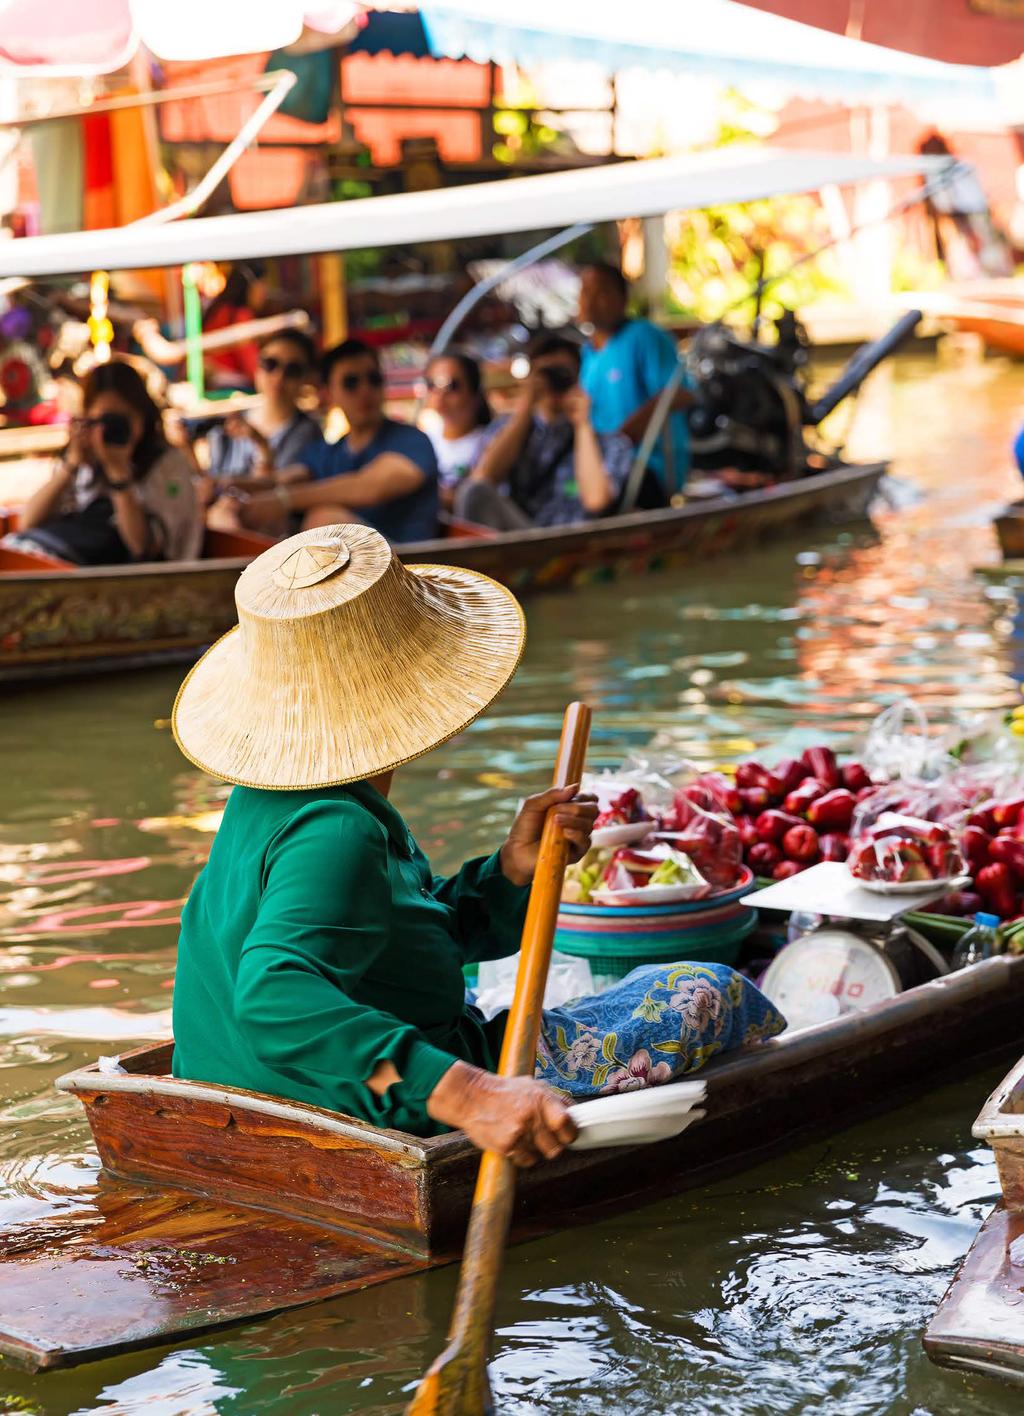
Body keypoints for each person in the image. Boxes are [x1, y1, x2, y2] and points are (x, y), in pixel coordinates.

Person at [170, 524, 785, 1159]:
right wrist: (467, 1093)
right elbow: (273, 997)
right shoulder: (340, 830)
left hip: (240, 1083)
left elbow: (397, 937)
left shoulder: (269, 796)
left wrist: (508, 872)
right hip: (366, 1098)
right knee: (705, 990)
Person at [234, 339, 440, 544]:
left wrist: (284, 500)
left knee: (324, 520)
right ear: (328, 394)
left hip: (408, 568)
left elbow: (368, 486)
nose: (365, 390)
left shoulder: (412, 440)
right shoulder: (326, 453)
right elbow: (282, 481)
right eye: (351, 382)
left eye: (373, 379)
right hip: (355, 569)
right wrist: (225, 489)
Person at [3, 360, 201, 565]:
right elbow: (27, 523)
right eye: (103, 421)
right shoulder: (85, 461)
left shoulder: (167, 463)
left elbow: (141, 547)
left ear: (143, 416)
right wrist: (72, 464)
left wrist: (118, 472)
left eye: (121, 419)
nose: (112, 430)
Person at [458, 333, 632, 531]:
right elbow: (483, 478)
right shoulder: (506, 428)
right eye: (546, 373)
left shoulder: (609, 442)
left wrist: (582, 424)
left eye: (563, 373)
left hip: (569, 549)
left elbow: (596, 500)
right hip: (516, 541)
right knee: (473, 492)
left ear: (579, 379)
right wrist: (526, 406)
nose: (554, 381)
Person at [578, 261, 694, 501]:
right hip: (600, 466)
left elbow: (680, 393)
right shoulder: (587, 354)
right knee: (564, 490)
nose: (590, 299)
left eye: (601, 291)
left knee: (591, 496)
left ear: (622, 299)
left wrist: (620, 441)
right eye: (585, 291)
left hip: (645, 467)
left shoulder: (644, 336)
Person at [201, 330, 321, 485]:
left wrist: (262, 446)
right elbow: (207, 485)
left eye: (292, 370)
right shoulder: (232, 419)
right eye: (270, 364)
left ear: (306, 378)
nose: (278, 377)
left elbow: (272, 494)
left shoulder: (308, 433)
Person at [422, 351, 492, 508]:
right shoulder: (423, 439)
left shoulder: (489, 443)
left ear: (475, 394)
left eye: (452, 385)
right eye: (432, 384)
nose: (440, 394)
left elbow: (475, 501)